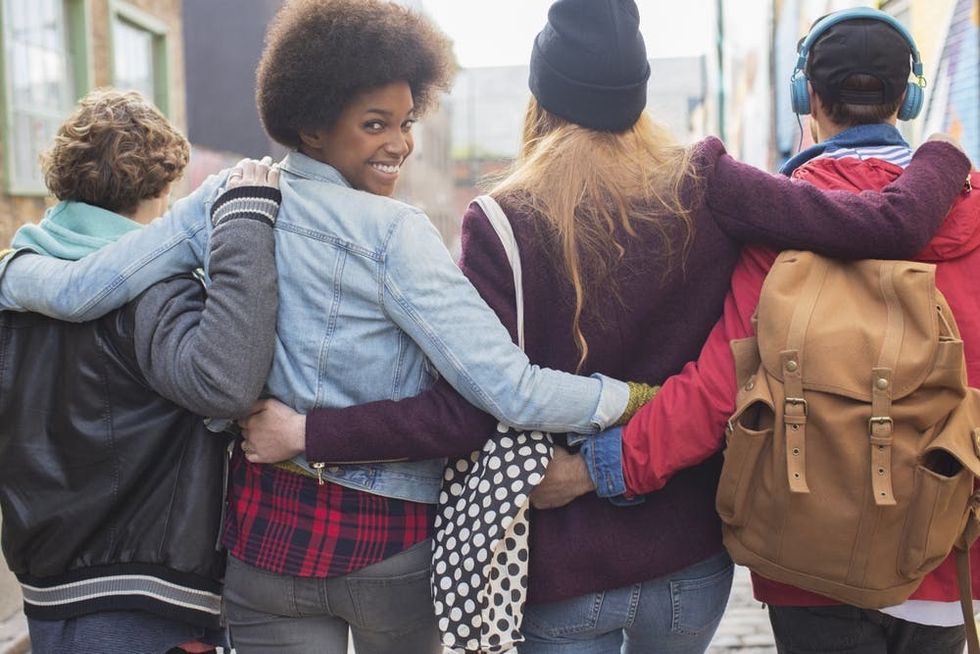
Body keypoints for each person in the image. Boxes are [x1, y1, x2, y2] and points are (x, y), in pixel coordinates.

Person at [233, 1, 972, 653]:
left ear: (543, 93)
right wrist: (942, 152)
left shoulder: (499, 221)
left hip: (558, 564)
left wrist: (309, 432)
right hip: (690, 564)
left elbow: (462, 409)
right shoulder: (708, 179)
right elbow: (882, 223)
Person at [0, 2, 645, 652]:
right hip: (387, 546)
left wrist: (10, 273)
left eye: (406, 121)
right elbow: (511, 391)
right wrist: (628, 399)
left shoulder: (229, 196)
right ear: (311, 125)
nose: (400, 143)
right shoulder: (397, 234)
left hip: (265, 545)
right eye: (374, 124)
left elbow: (85, 289)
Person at [532, 8, 980, 654]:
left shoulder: (782, 222)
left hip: (806, 562)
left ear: (808, 98)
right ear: (906, 97)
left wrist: (599, 468)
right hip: (941, 559)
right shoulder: (967, 213)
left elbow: (719, 389)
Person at [0, 89, 281, 654]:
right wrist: (246, 228)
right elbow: (224, 385)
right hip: (143, 592)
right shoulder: (155, 293)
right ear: (161, 189)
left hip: (45, 580)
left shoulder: (16, 279)